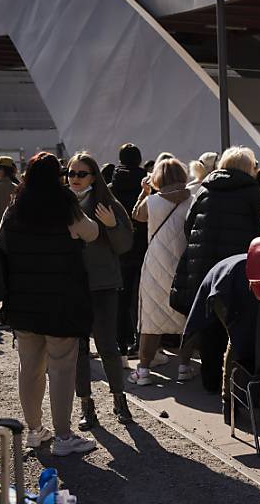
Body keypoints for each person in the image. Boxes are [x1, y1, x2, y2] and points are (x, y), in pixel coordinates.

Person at [0, 151, 99, 456]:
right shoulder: (65, 205)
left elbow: (2, 242)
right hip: (61, 301)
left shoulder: (15, 207)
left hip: (23, 302)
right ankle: (64, 437)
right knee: (61, 369)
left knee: (28, 368)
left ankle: (33, 431)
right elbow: (91, 233)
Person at [172, 146, 260, 392]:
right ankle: (236, 385)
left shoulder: (204, 191)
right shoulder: (254, 194)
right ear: (248, 168)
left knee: (209, 325)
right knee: (238, 326)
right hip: (238, 271)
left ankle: (211, 380)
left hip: (203, 268)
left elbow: (189, 227)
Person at [66, 152, 135, 429]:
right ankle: (87, 406)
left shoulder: (107, 203)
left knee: (107, 345)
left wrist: (112, 226)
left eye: (81, 174)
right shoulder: (62, 203)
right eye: (71, 173)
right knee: (78, 350)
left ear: (94, 176)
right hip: (72, 286)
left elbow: (125, 246)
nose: (75, 179)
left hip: (104, 285)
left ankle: (120, 401)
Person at [129, 158, 192, 386]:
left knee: (151, 318)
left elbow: (137, 215)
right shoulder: (192, 200)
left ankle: (144, 370)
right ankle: (185, 366)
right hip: (184, 263)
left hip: (156, 261)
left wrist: (144, 192)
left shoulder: (152, 202)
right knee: (186, 317)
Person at [109, 143, 149, 365]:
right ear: (140, 160)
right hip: (144, 248)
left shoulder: (111, 188)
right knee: (141, 300)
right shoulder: (148, 185)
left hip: (119, 249)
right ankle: (143, 345)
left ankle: (121, 346)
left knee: (121, 300)